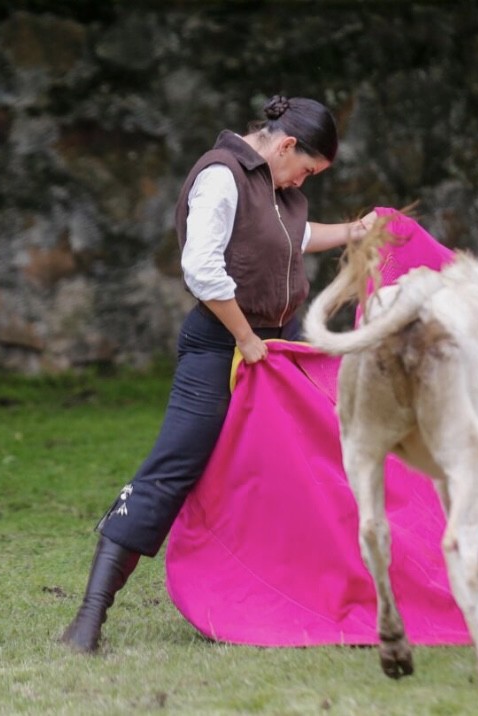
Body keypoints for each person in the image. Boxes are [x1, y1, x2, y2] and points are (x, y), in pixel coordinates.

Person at [60, 94, 376, 653]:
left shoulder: (276, 188)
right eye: (306, 169)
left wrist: (357, 231)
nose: (303, 182)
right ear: (284, 146)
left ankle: (315, 596)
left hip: (280, 345)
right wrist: (246, 338)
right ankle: (87, 619)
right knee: (173, 468)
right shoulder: (221, 178)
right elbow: (201, 269)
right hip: (221, 346)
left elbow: (292, 241)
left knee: (324, 452)